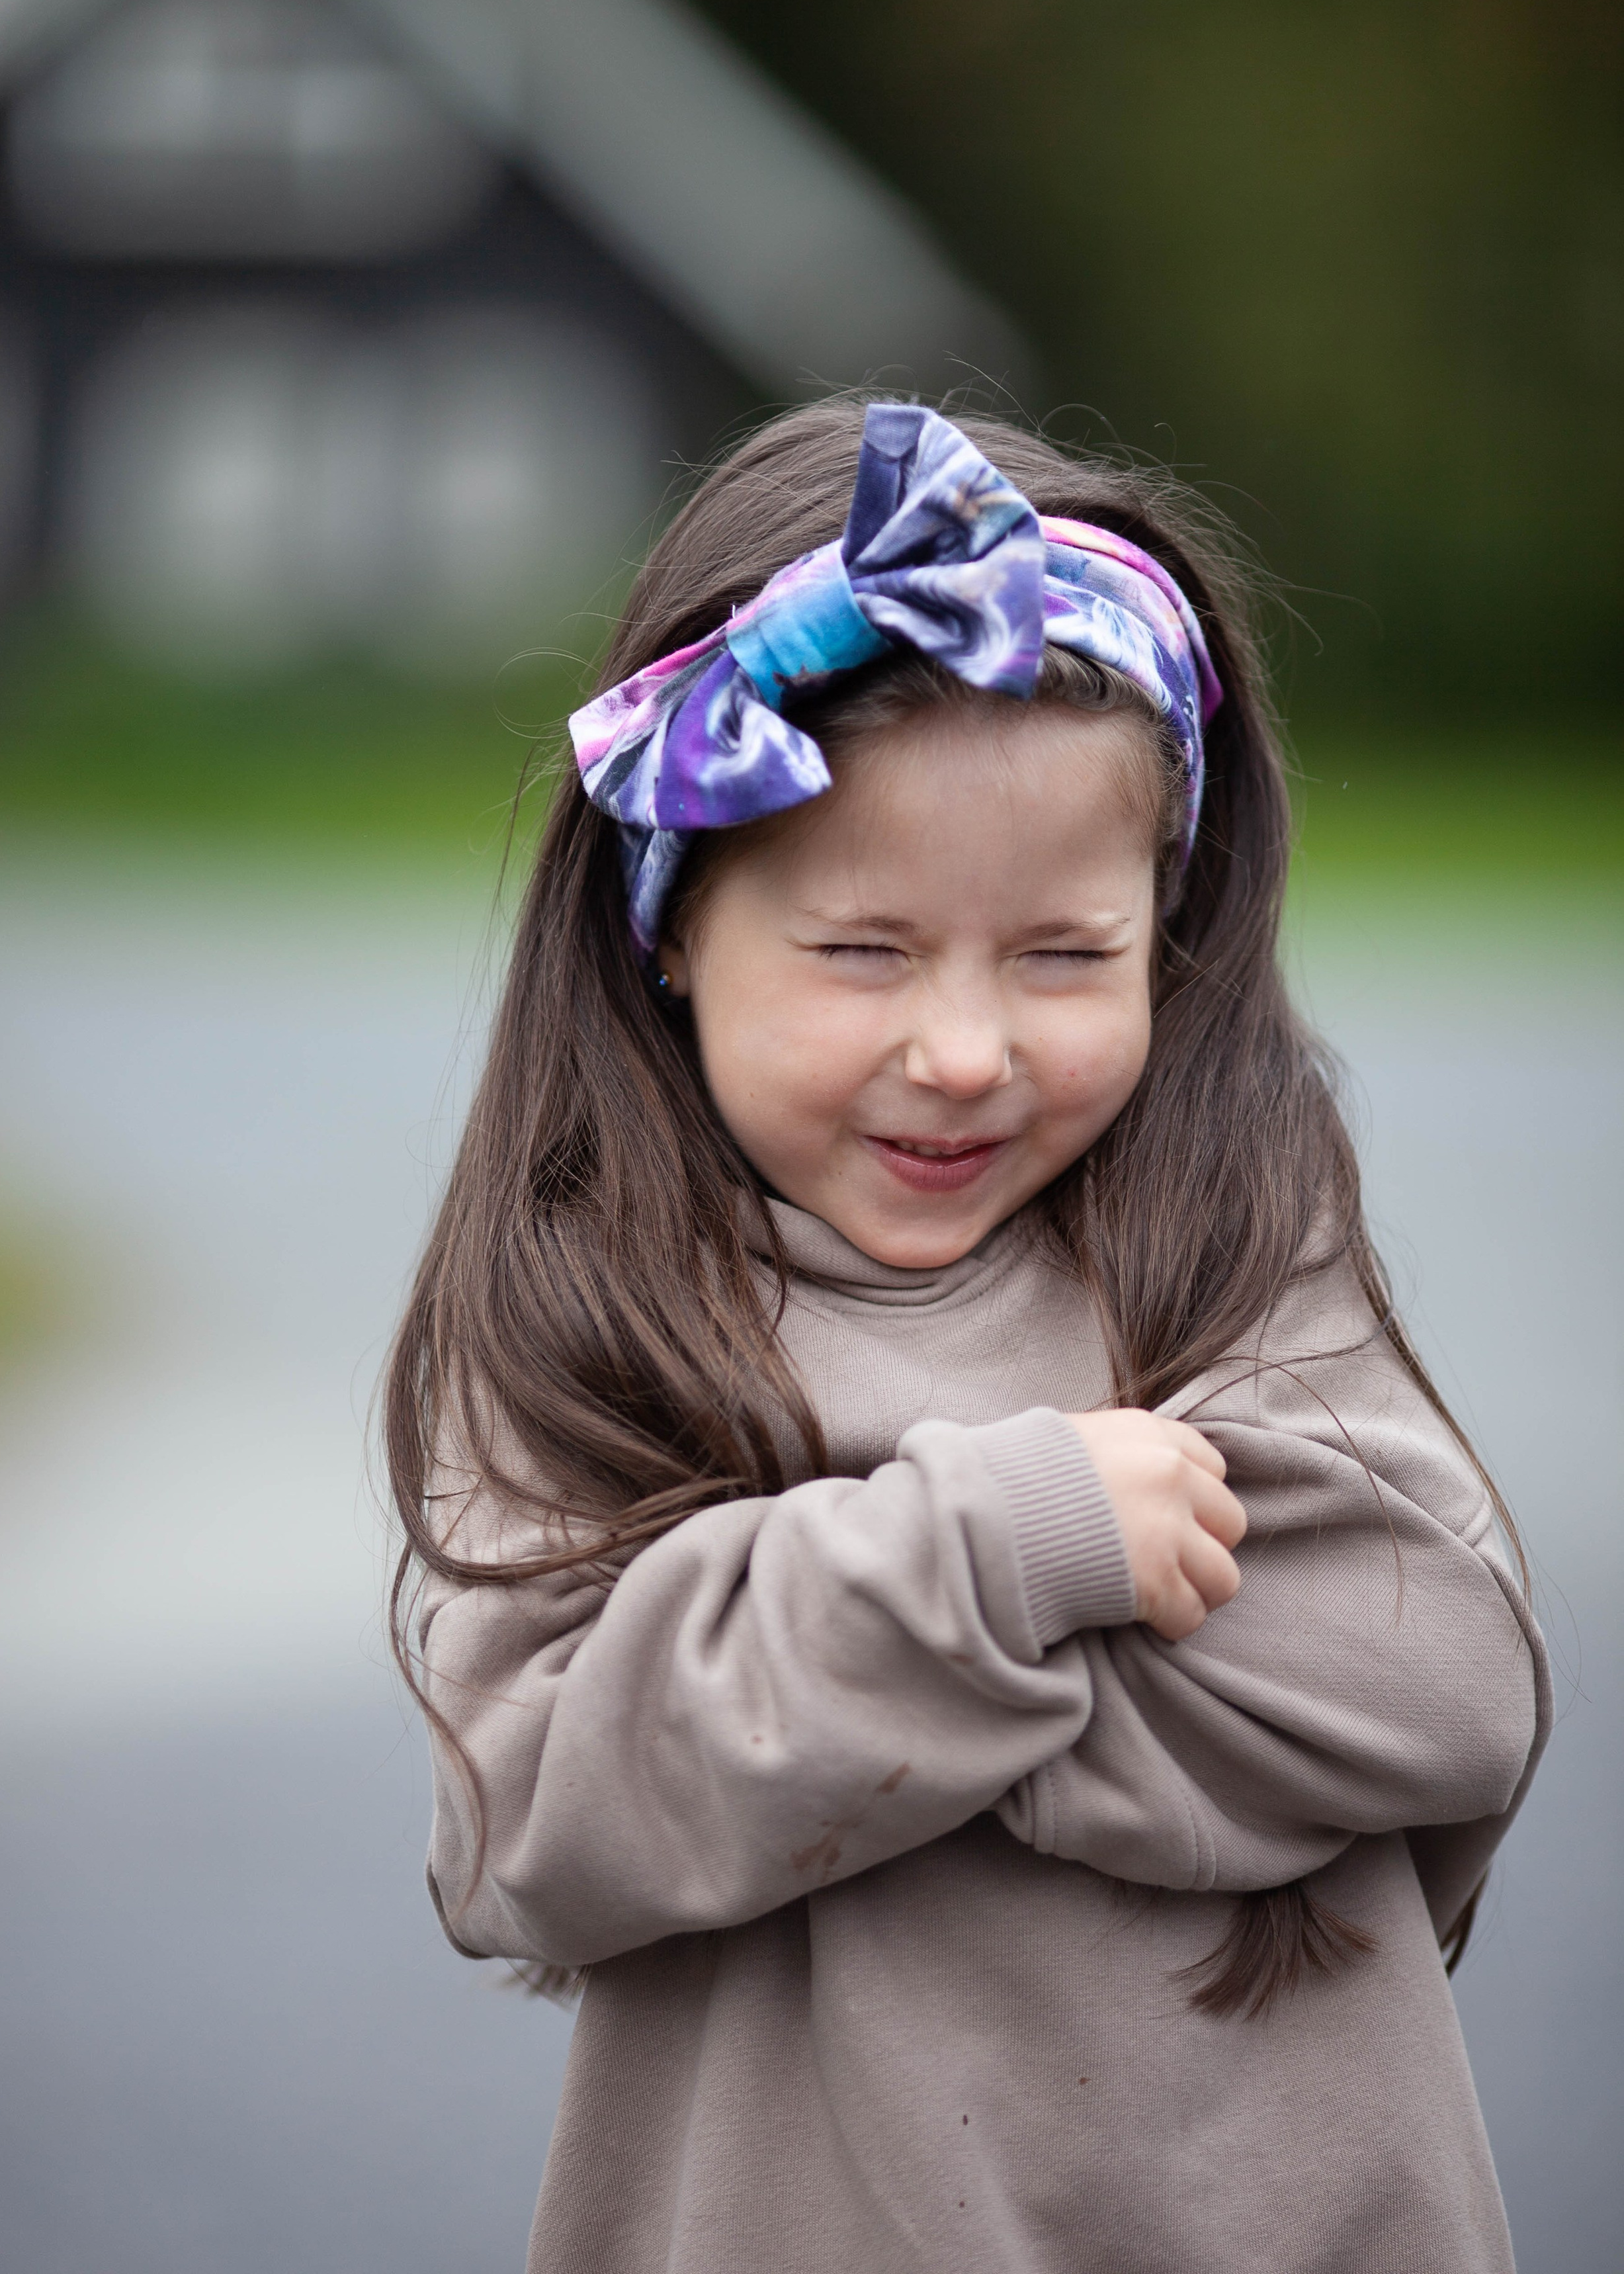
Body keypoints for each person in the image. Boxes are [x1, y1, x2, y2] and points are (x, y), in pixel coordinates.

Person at [385, 398, 1547, 2273]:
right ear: (670, 929)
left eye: (1064, 955)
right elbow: (532, 1818)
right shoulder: (604, 1313)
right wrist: (1012, 1547)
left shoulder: (1230, 1231)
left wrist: (805, 1709)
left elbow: (1442, 1690)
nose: (966, 1051)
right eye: (864, 950)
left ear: (1162, 922)